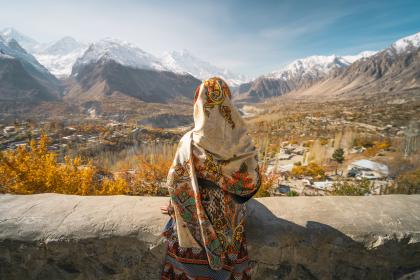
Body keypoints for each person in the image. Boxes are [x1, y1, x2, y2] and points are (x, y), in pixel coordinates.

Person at [160, 77, 260, 280]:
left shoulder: (188, 142)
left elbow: (175, 182)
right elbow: (251, 183)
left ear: (198, 104)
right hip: (231, 224)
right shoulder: (243, 144)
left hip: (193, 224)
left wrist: (174, 207)